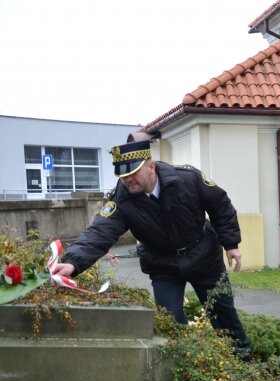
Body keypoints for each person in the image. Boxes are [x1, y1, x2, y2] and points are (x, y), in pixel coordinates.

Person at [51, 140, 252, 358]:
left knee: (224, 315)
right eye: (123, 176)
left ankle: (242, 360)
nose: (128, 180)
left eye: (134, 173)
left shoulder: (188, 179)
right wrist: (72, 262)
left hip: (203, 255)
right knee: (170, 321)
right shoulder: (121, 199)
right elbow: (99, 232)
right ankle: (187, 364)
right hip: (163, 264)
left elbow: (220, 205)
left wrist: (231, 244)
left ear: (151, 166)